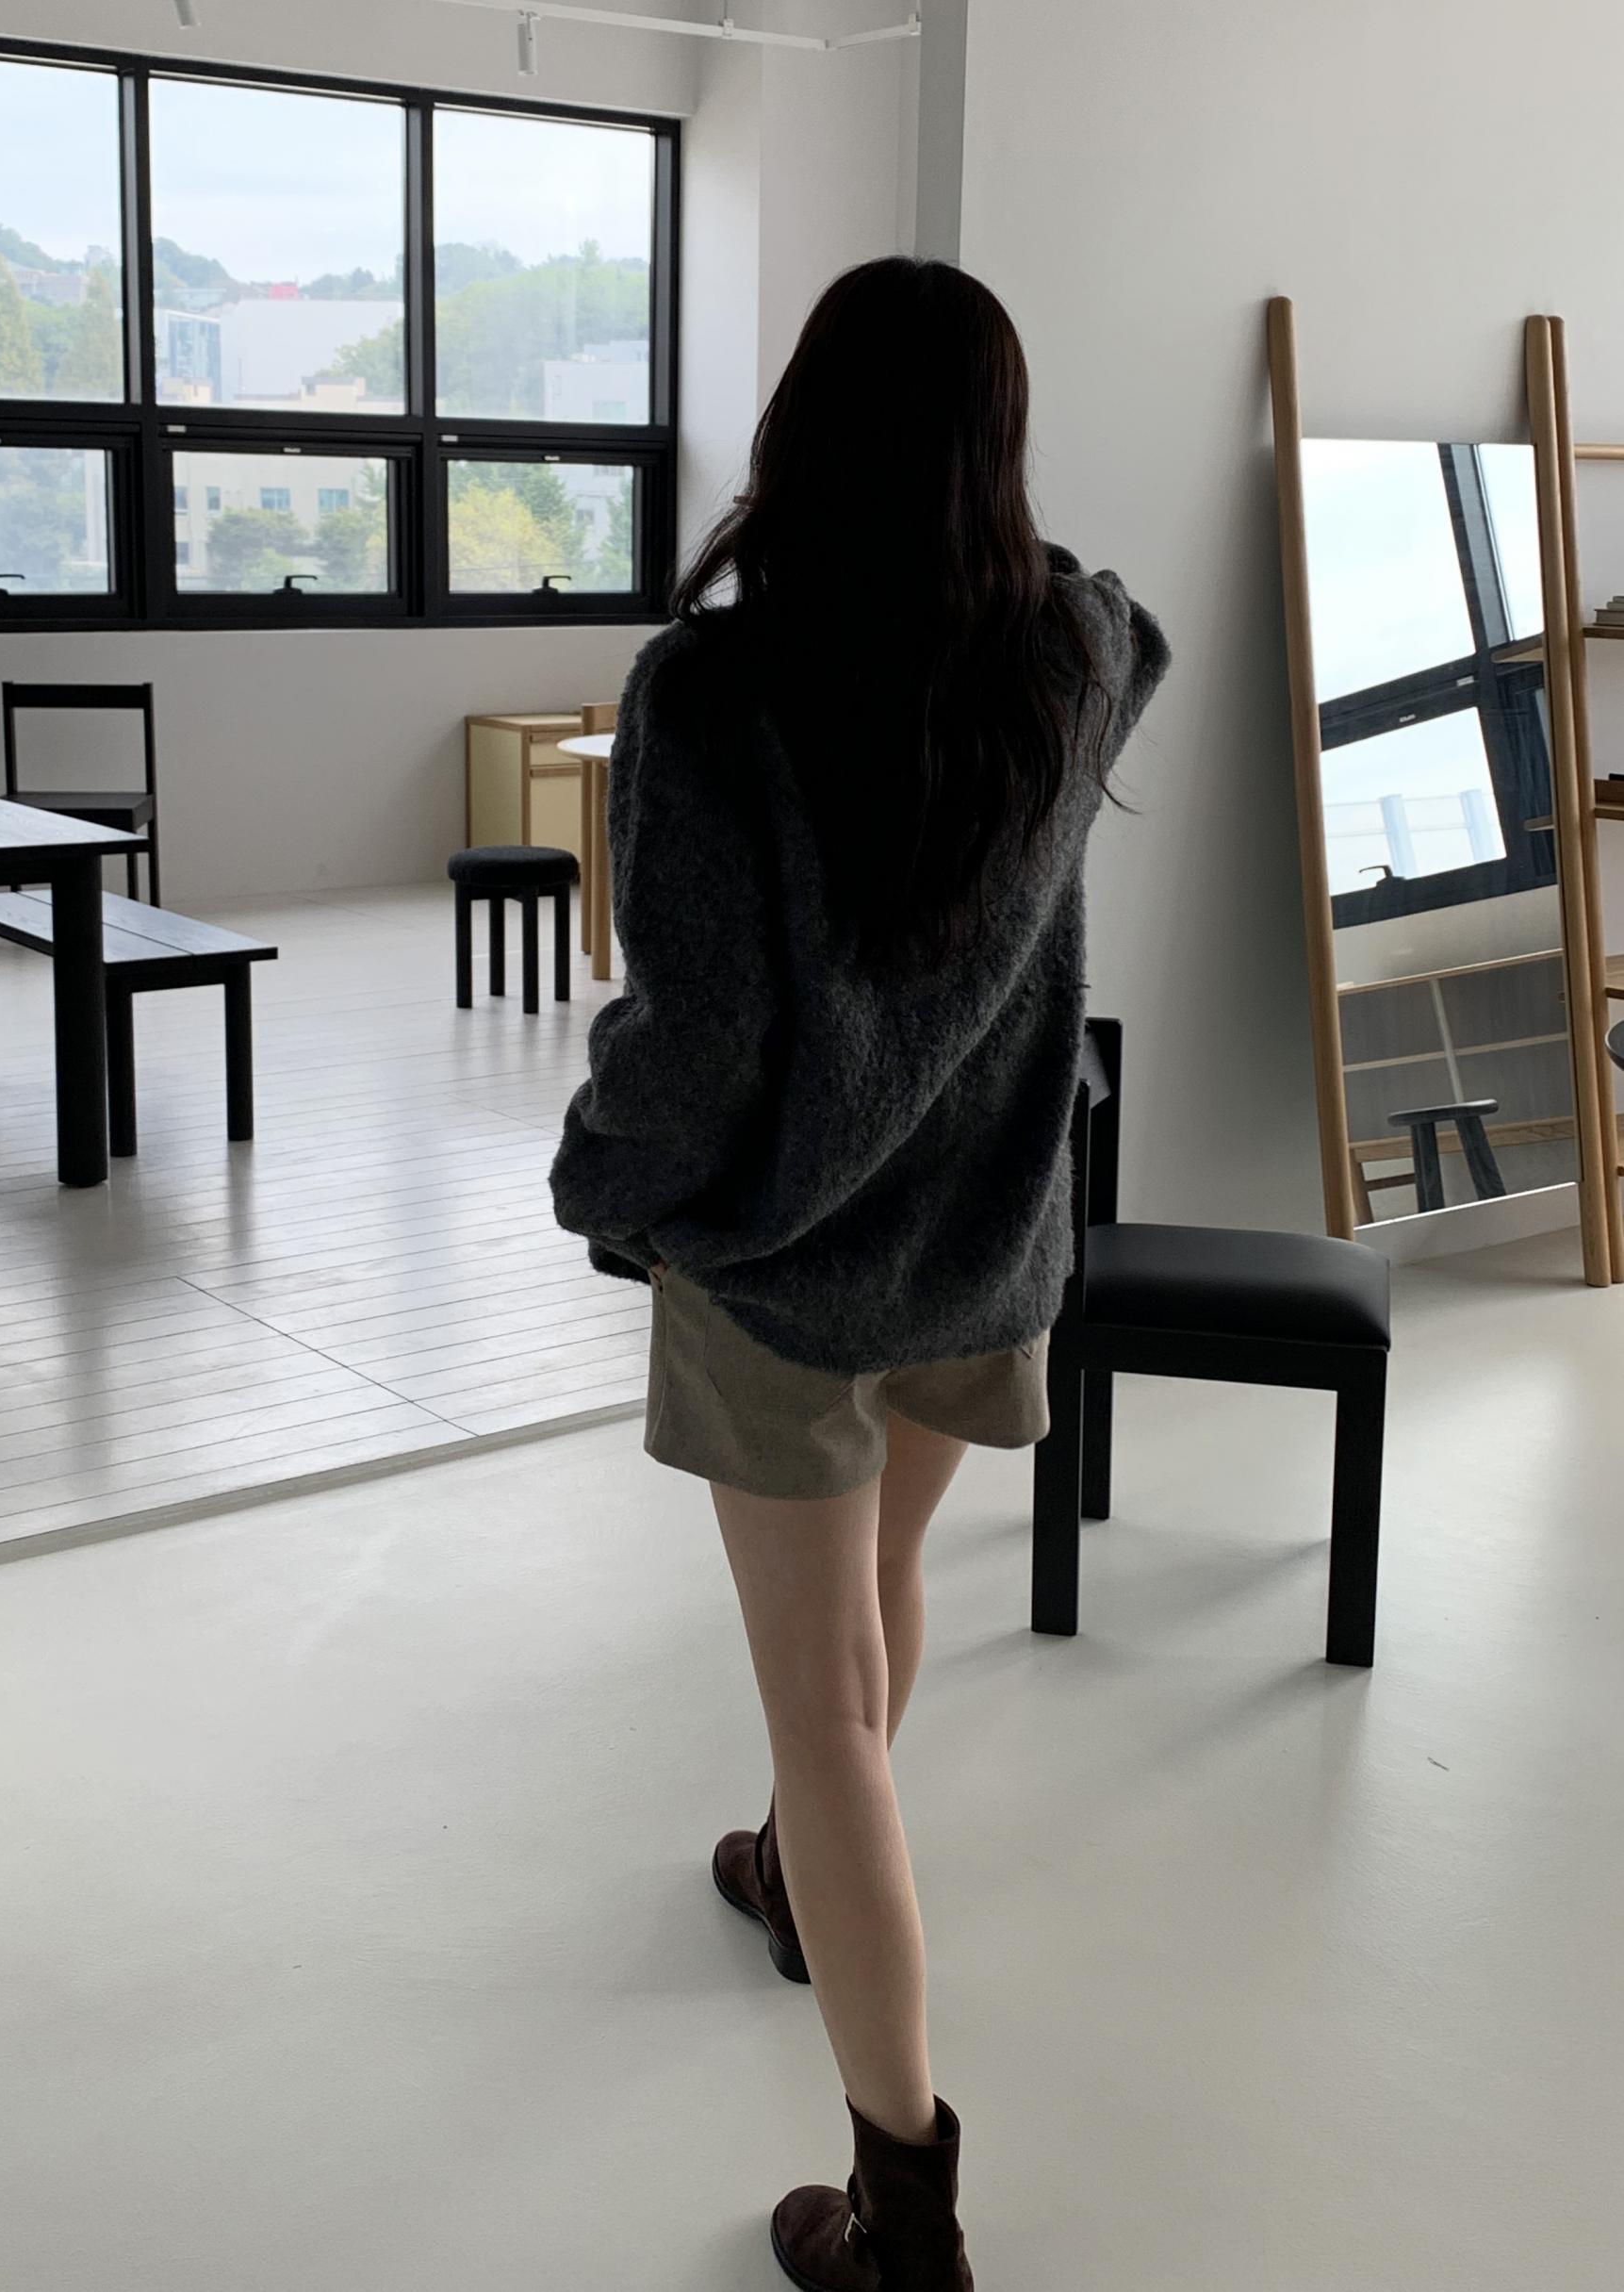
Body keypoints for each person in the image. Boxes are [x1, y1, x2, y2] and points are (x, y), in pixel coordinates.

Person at [551, 256, 1169, 2292]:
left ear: (798, 430)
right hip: (984, 1248)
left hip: (788, 1273)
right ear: (999, 449)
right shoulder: (1072, 653)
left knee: (824, 1699)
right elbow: (1120, 609)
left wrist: (608, 1190)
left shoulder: (717, 694)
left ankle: (906, 2214)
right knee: (881, 1591)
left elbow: (693, 1038)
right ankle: (797, 1881)